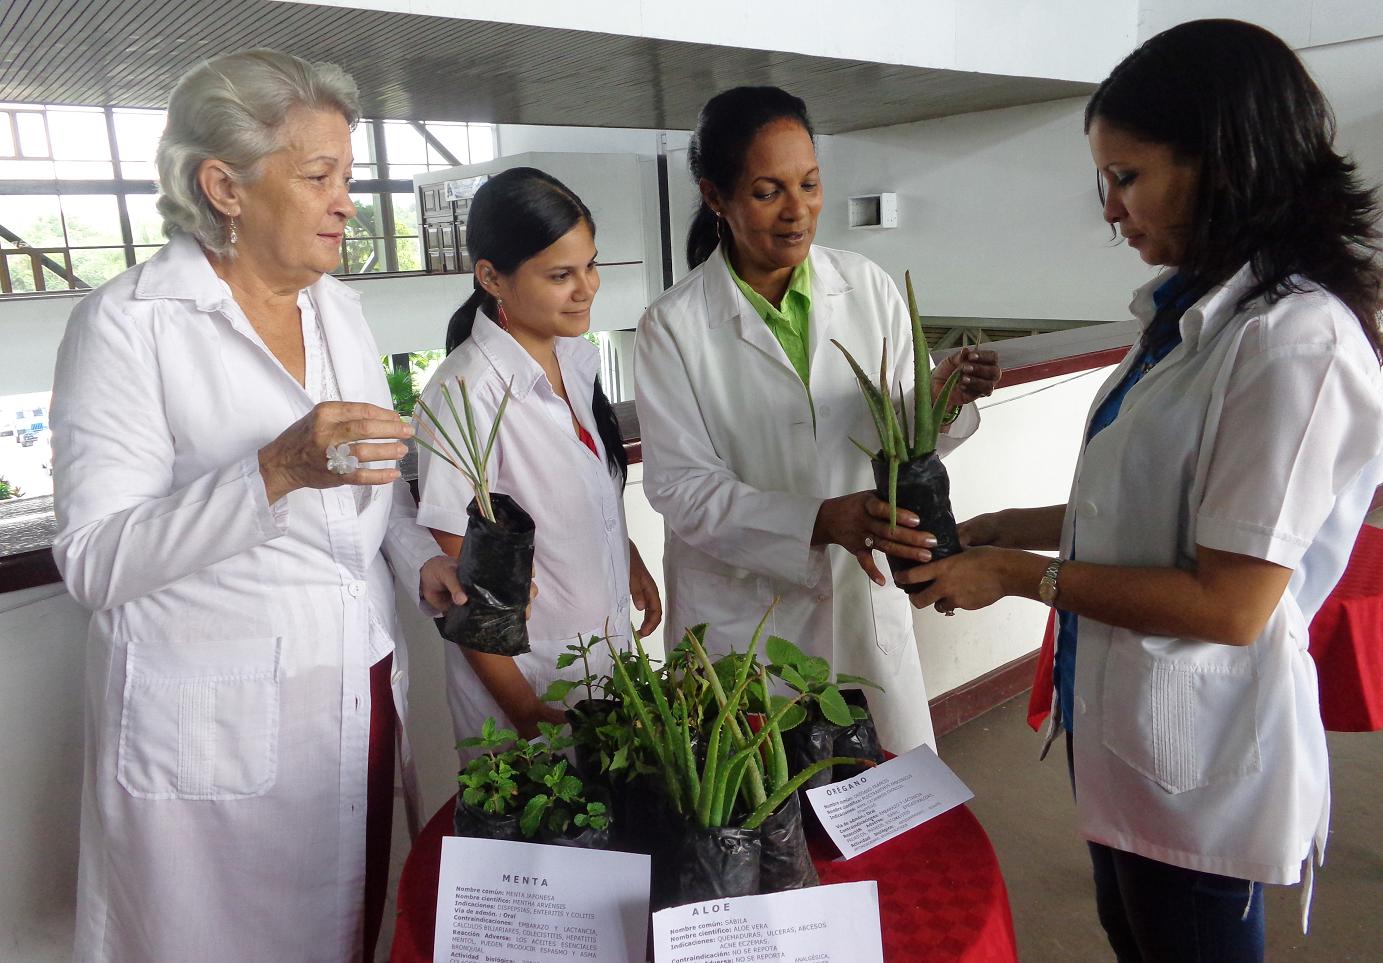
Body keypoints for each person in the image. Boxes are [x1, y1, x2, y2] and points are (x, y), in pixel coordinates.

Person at [901, 20, 1383, 961]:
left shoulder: (1293, 342)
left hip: (1199, 751)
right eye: (1104, 181)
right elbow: (1149, 512)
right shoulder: (1186, 314)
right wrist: (1000, 526)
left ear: (1223, 163)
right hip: (1125, 727)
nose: (1111, 211)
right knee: (1134, 933)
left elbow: (1231, 602)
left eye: (1126, 177)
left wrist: (1015, 574)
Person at [50, 49, 464, 962]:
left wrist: (416, 557)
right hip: (215, 724)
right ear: (224, 186)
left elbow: (366, 477)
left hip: (355, 685)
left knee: (353, 929)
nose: (347, 203)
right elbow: (94, 561)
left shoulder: (338, 308)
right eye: (319, 176)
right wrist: (271, 470)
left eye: (346, 177)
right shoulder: (127, 324)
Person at [634, 86, 1000, 753]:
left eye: (808, 184)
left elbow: (902, 436)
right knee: (758, 799)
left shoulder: (866, 287)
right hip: (742, 621)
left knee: (884, 789)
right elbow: (682, 488)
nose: (797, 211)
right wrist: (817, 521)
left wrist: (941, 398)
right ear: (714, 196)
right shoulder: (672, 326)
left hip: (861, 601)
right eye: (766, 192)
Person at [416, 167, 662, 751]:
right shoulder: (466, 395)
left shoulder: (572, 360)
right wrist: (527, 712)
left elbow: (571, 499)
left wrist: (624, 556)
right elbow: (464, 591)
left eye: (590, 265)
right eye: (560, 275)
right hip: (528, 686)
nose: (587, 288)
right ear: (491, 277)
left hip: (601, 658)